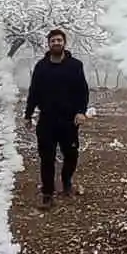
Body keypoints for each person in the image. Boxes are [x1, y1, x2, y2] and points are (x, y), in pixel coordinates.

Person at [23, 29, 89, 209]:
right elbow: (33, 92)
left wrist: (81, 112)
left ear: (64, 43)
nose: (56, 43)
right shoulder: (41, 66)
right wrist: (28, 115)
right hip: (47, 120)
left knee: (71, 155)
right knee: (47, 158)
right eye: (53, 41)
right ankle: (47, 194)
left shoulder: (75, 65)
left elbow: (82, 91)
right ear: (48, 44)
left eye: (59, 40)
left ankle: (66, 182)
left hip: (69, 120)